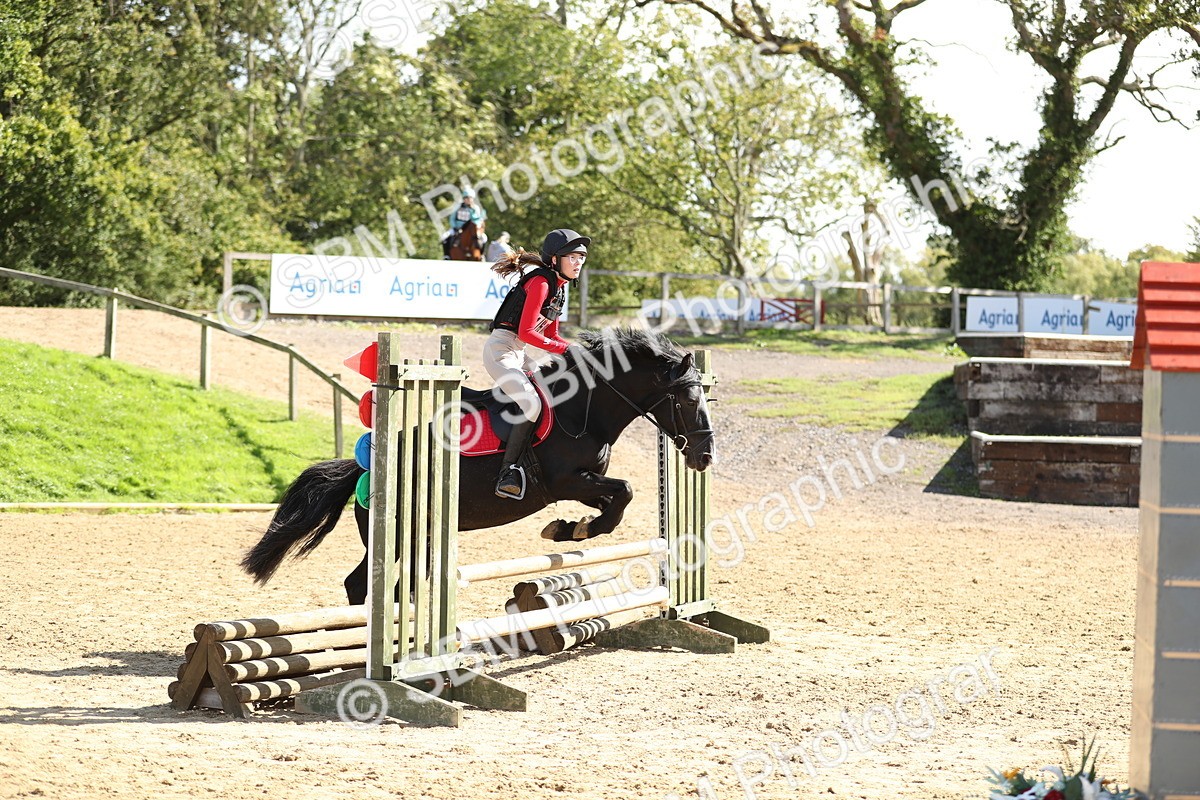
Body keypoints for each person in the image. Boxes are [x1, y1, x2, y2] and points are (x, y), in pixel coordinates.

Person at [484, 228, 589, 499]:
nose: (578, 263)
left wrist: (573, 356)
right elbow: (527, 333)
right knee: (531, 403)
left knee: (556, 389)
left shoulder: (559, 289)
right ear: (554, 259)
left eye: (582, 257)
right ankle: (508, 472)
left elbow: (551, 335)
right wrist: (568, 349)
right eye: (573, 257)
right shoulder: (541, 283)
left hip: (519, 354)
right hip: (501, 351)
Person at [441, 187, 488, 259]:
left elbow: (477, 220)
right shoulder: (458, 207)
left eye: (470, 198)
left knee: (484, 238)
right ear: (464, 199)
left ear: (473, 199)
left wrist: (473, 211)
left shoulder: (476, 208)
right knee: (444, 236)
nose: (469, 200)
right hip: (457, 228)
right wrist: (455, 227)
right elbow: (452, 219)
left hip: (471, 229)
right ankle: (447, 255)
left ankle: (481, 255)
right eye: (467, 198)